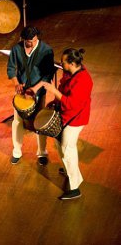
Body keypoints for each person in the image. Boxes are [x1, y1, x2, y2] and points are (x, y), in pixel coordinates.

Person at [40, 48, 93, 200]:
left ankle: (75, 187)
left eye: (63, 62)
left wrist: (53, 90)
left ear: (71, 63)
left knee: (67, 147)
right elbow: (64, 93)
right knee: (59, 143)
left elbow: (71, 104)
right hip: (66, 115)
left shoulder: (83, 80)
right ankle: (69, 170)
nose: (61, 64)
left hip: (76, 118)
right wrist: (54, 101)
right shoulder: (70, 73)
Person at [7, 26, 55, 165]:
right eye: (28, 41)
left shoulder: (46, 50)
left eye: (33, 41)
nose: (31, 44)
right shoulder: (17, 49)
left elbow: (48, 74)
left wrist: (35, 88)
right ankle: (16, 151)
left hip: (39, 91)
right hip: (22, 92)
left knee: (39, 122)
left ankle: (42, 152)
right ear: (23, 39)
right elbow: (11, 68)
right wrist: (16, 83)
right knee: (17, 121)